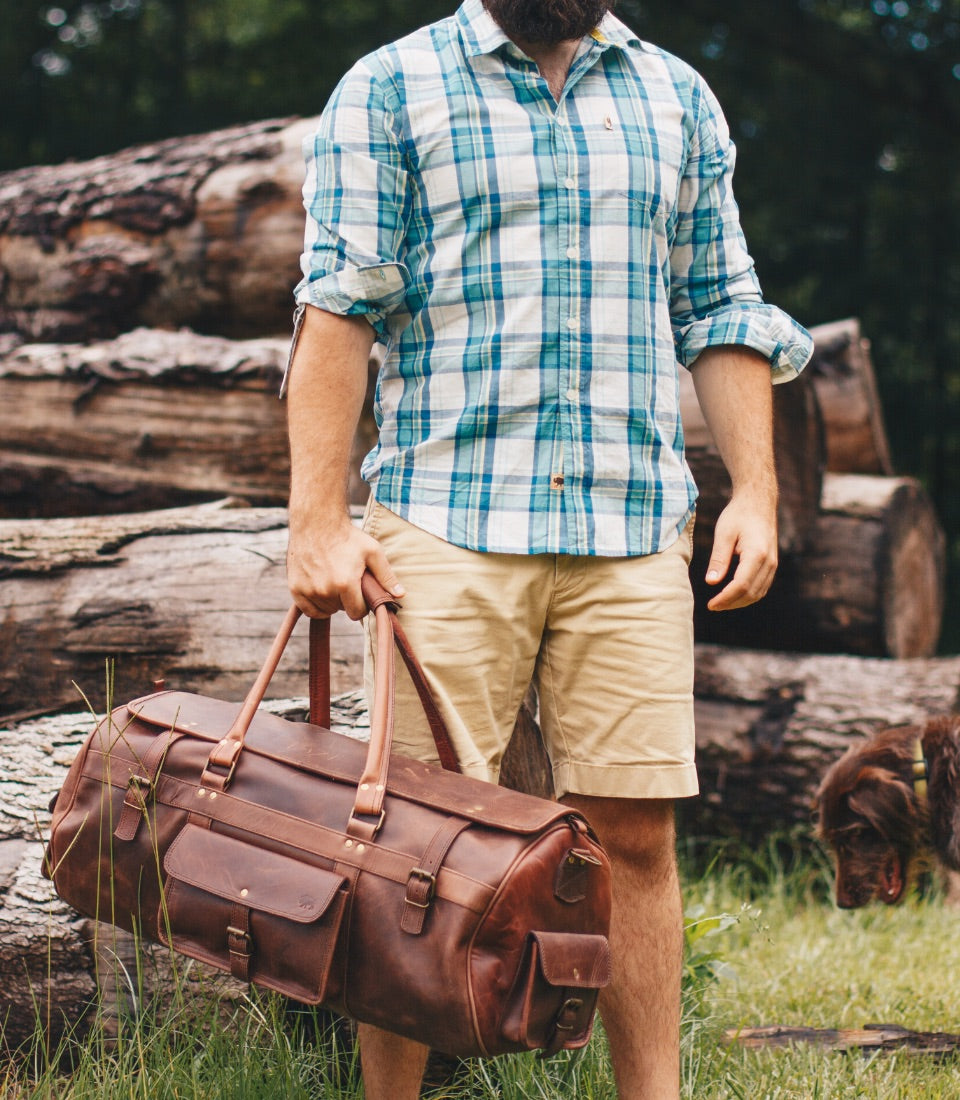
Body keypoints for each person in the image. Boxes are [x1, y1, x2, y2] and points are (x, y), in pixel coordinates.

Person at [284, 0, 813, 1095]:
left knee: (634, 836)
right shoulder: (391, 86)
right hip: (443, 519)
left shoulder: (675, 96)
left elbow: (721, 306)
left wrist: (754, 493)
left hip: (628, 529)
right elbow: (335, 307)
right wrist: (317, 520)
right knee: (413, 847)